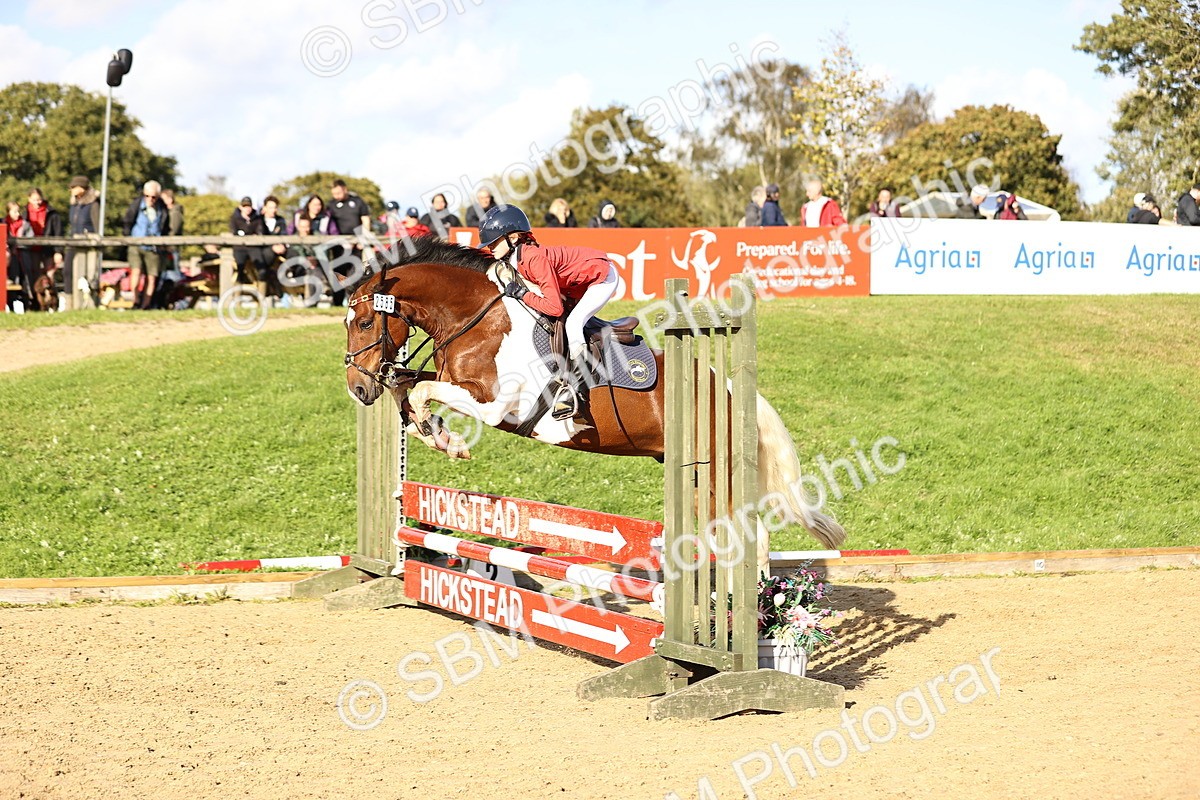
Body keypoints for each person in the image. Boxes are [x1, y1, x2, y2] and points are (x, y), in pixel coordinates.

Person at [480, 204, 619, 421]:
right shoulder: (518, 258)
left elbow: (555, 307)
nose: (490, 246)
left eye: (494, 241)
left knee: (573, 324)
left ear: (514, 238)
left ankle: (575, 391)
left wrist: (522, 294)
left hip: (602, 277)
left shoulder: (533, 258)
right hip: (576, 282)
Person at [122, 180, 169, 309]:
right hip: (136, 244)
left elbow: (165, 227)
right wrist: (128, 238)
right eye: (147, 196)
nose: (150, 199)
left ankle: (146, 304)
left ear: (158, 196)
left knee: (152, 277)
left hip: (154, 247)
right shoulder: (136, 204)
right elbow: (127, 221)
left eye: (154, 196)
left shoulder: (162, 208)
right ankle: (135, 300)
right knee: (136, 272)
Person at [65, 176, 101, 309]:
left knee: (89, 274)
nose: (72, 190)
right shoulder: (74, 204)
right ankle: (69, 304)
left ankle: (89, 304)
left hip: (88, 243)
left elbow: (97, 225)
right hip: (73, 241)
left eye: (74, 187)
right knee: (67, 272)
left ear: (82, 188)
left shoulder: (93, 203)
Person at [229, 196, 264, 285]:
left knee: (262, 269)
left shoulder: (257, 219)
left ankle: (260, 288)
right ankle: (239, 289)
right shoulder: (234, 219)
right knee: (240, 268)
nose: (247, 209)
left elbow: (259, 232)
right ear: (241, 207)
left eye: (249, 206)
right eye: (245, 206)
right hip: (239, 247)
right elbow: (234, 232)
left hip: (253, 247)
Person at [6, 201, 34, 310]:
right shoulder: (4, 224)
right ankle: (11, 306)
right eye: (14, 211)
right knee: (12, 281)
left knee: (25, 281)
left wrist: (19, 245)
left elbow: (30, 240)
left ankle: (27, 307)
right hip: (11, 260)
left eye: (18, 211)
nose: (18, 214)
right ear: (8, 212)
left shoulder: (25, 225)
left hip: (23, 257)